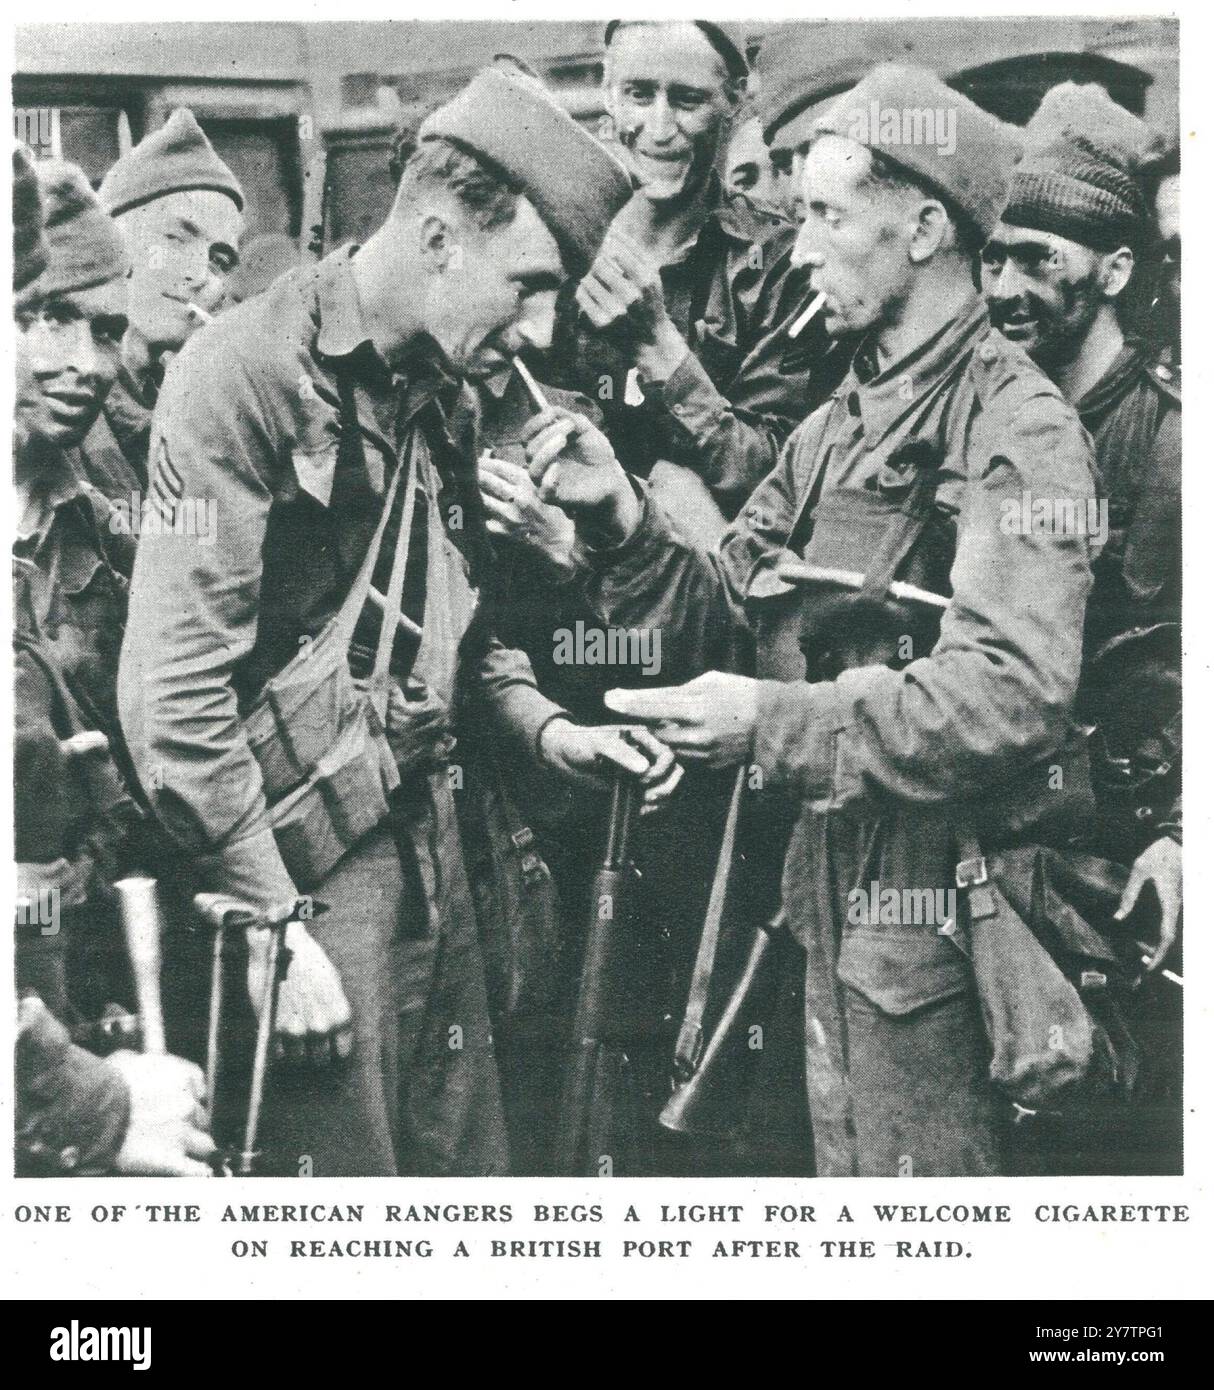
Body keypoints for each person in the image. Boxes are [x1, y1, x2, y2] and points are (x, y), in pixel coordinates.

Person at [522, 64, 1100, 1176]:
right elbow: (725, 619)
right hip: (820, 890)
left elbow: (1009, 694)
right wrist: (619, 518)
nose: (798, 249)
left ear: (923, 227)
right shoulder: (835, 425)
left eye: (827, 217)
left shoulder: (1019, 428)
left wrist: (772, 726)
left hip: (943, 915)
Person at [116, 66, 681, 1177]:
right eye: (524, 286)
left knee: (466, 1184)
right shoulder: (235, 380)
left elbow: (451, 633)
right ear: (434, 238)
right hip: (296, 864)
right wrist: (275, 930)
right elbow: (173, 702)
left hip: (433, 838)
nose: (536, 329)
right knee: (341, 1206)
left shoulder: (448, 392)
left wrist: (544, 730)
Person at [982, 97, 1181, 1173]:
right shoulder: (989, 425)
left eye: (1034, 260)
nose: (1003, 287)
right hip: (1014, 853)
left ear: (1110, 272)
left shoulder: (1169, 444)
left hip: (1132, 868)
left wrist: (1184, 833)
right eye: (992, 258)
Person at [13, 147, 214, 1177]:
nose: (82, 364)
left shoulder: (102, 532)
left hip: (93, 999)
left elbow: (144, 772)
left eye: (102, 331)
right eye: (44, 319)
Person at [544, 19, 840, 541]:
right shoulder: (554, 246)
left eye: (686, 100)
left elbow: (783, 477)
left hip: (707, 588)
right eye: (638, 94)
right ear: (607, 96)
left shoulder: (782, 268)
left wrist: (660, 348)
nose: (659, 129)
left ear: (734, 102)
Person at [80, 108, 245, 501]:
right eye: (176, 238)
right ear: (113, 243)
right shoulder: (62, 404)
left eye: (219, 260)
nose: (199, 273)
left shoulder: (197, 403)